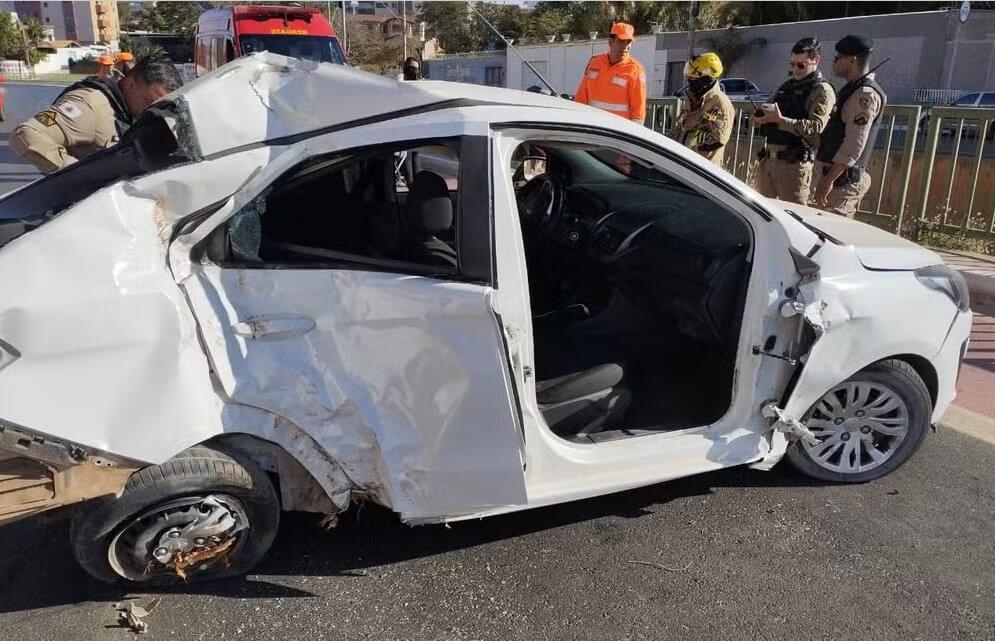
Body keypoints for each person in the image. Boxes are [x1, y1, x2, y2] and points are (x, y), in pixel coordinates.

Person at [11, 56, 184, 175]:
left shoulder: (125, 111)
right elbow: (28, 133)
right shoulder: (89, 105)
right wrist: (81, 175)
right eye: (149, 101)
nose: (151, 110)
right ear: (131, 84)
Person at [751, 37, 835, 205]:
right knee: (762, 213)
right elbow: (768, 109)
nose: (795, 69)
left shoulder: (822, 90)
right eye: (792, 64)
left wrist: (781, 120)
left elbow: (816, 127)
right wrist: (759, 118)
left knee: (793, 217)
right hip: (768, 161)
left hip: (793, 166)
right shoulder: (786, 86)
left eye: (801, 65)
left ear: (816, 60)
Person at [813, 35, 887, 217]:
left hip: (841, 183)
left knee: (831, 233)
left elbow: (854, 144)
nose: (834, 63)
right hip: (833, 177)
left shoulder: (864, 95)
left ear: (852, 59)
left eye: (838, 58)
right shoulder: (852, 89)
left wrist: (829, 180)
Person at [667, 52, 735, 167]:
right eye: (689, 79)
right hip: (680, 164)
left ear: (706, 80)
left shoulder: (721, 105)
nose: (690, 84)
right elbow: (680, 130)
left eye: (693, 80)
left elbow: (714, 143)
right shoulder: (692, 99)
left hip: (700, 171)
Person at [574, 22, 647, 123]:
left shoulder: (635, 70)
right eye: (621, 41)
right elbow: (581, 97)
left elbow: (638, 111)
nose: (626, 46)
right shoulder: (595, 63)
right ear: (610, 42)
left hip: (616, 132)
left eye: (628, 42)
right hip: (591, 126)